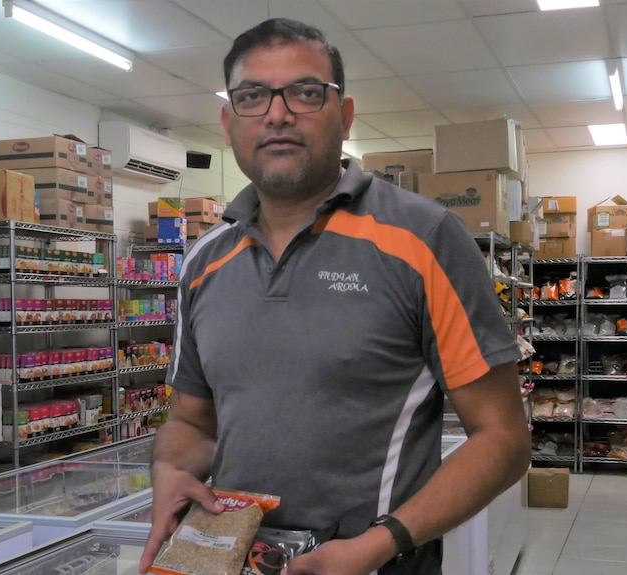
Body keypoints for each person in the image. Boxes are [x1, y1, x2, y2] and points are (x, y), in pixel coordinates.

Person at [138, 17, 531, 575]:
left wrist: (379, 544)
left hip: (375, 563)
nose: (277, 114)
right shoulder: (204, 261)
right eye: (252, 96)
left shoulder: (424, 238)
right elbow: (193, 424)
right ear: (228, 124)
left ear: (344, 115)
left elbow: (504, 437)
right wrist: (171, 470)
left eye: (304, 92)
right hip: (236, 556)